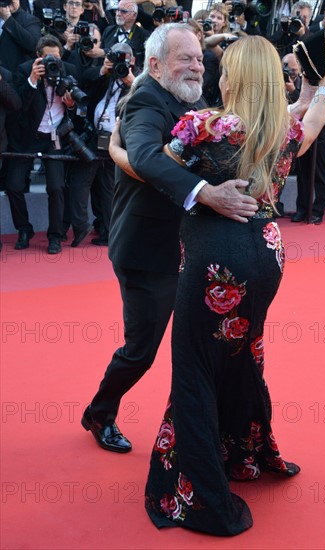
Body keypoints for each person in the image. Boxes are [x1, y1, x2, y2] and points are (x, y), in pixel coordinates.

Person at [140, 37, 325, 535]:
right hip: (267, 256)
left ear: (235, 79)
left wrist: (121, 147)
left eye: (224, 69)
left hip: (216, 259)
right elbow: (313, 124)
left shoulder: (203, 124)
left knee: (194, 364)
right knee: (242, 352)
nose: (218, 77)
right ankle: (241, 452)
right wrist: (323, 88)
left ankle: (202, 491)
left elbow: (155, 169)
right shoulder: (282, 126)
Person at [81, 23, 258, 453]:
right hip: (148, 252)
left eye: (200, 58)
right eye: (187, 58)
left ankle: (205, 430)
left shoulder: (190, 98)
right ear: (156, 65)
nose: (198, 66)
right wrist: (206, 194)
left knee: (205, 345)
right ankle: (99, 413)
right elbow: (141, 155)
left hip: (191, 251)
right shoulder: (146, 100)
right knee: (142, 350)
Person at [5, 34, 79, 254]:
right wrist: (32, 81)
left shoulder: (69, 70)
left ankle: (55, 236)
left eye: (56, 58)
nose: (52, 63)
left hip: (54, 139)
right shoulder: (25, 70)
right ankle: (24, 229)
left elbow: (78, 110)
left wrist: (72, 105)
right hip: (28, 138)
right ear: (38, 57)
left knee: (56, 188)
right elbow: (18, 106)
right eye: (47, 58)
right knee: (13, 185)